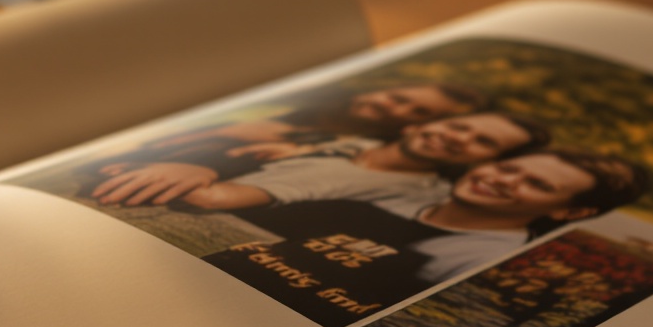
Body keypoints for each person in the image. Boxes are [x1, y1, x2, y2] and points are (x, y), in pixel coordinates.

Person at [201, 148, 646, 327]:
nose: (503, 180)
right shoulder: (384, 203)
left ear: (570, 212)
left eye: (537, 185)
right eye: (508, 167)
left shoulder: (480, 262)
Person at [86, 82, 486, 207]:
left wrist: (211, 160)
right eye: (397, 95)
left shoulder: (342, 145)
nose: (388, 107)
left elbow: (257, 167)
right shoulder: (298, 100)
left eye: (415, 112)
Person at [168, 111, 545, 214]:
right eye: (458, 126)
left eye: (483, 142)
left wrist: (203, 169)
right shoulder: (352, 143)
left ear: (488, 163)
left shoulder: (407, 189)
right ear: (421, 124)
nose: (458, 137)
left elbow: (213, 199)